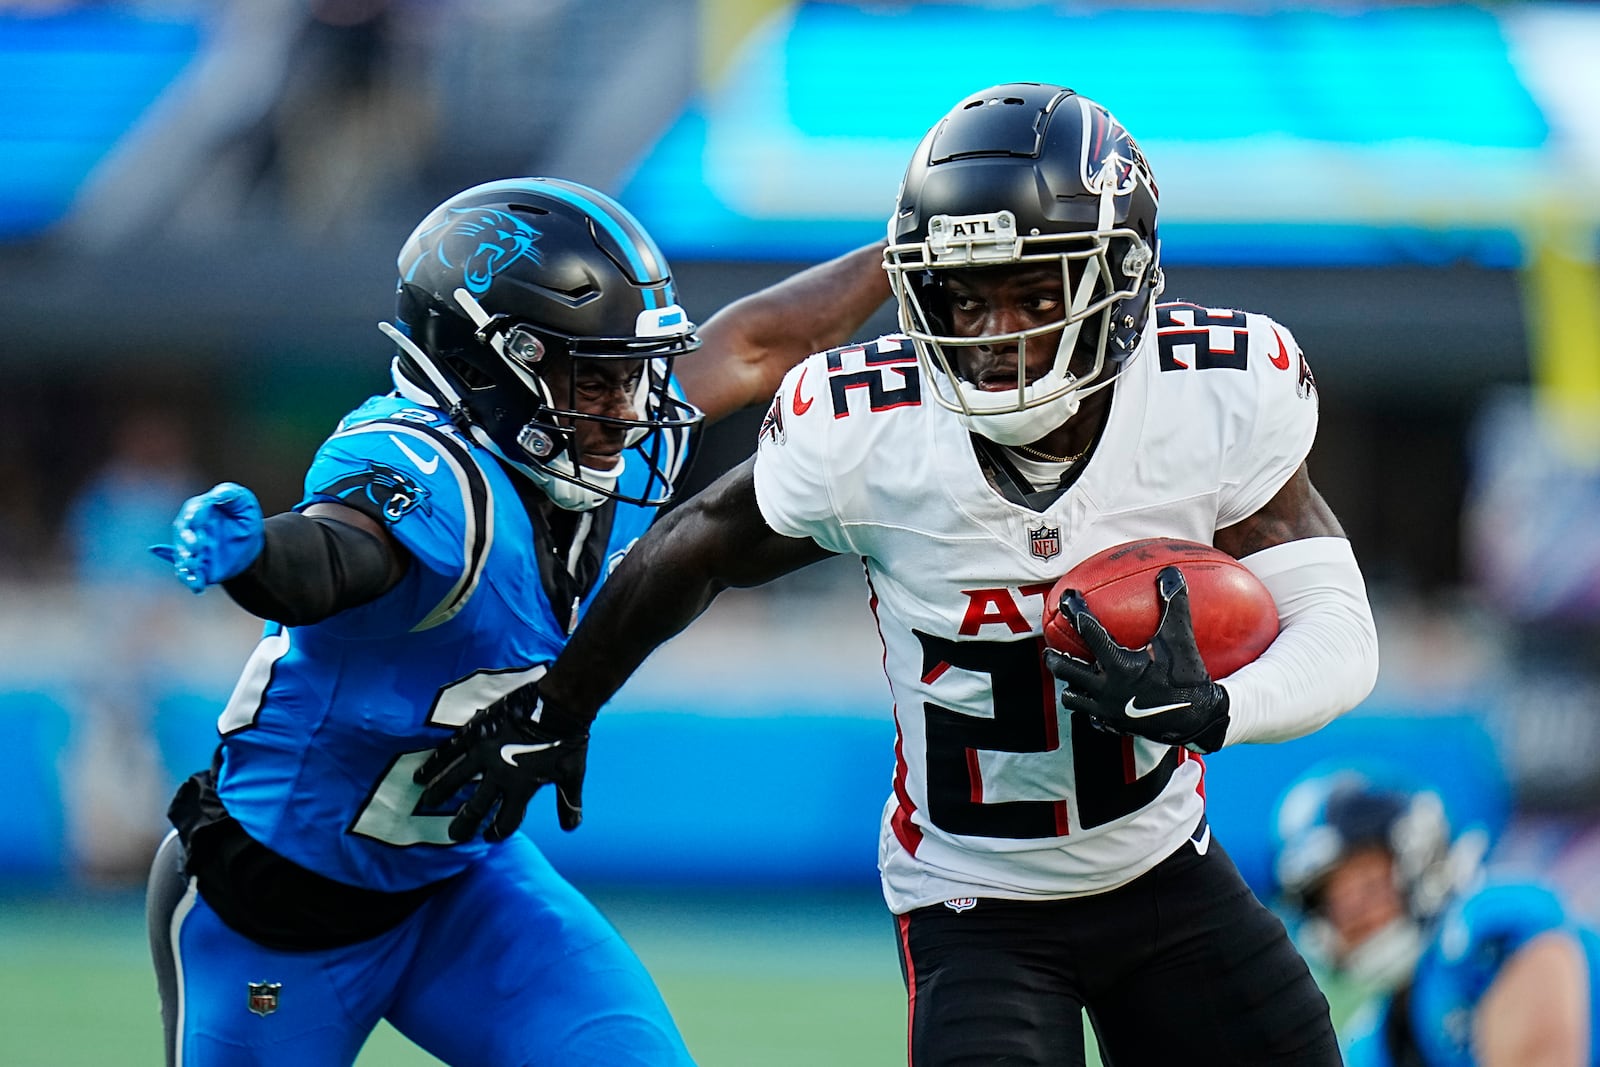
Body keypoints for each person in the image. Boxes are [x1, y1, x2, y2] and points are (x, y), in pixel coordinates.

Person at [415, 84, 1382, 1066]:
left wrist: (1216, 705)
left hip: (1163, 868)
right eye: (967, 294)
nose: (995, 331)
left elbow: (1338, 628)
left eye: (1035, 292)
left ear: (1120, 280)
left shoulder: (1210, 394)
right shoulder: (873, 431)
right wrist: (563, 700)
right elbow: (701, 541)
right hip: (974, 902)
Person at [143, 176, 890, 1067]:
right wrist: (258, 557)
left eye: (630, 371)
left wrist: (910, 250)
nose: (630, 407)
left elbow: (765, 340)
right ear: (487, 364)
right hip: (275, 913)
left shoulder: (590, 439)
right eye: (597, 375)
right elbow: (338, 554)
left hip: (461, 885)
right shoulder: (431, 475)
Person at [1272, 768, 1489, 1032]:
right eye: (1331, 901)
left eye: (1370, 884)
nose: (1353, 912)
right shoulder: (1369, 1036)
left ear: (1421, 863)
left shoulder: (1494, 944)